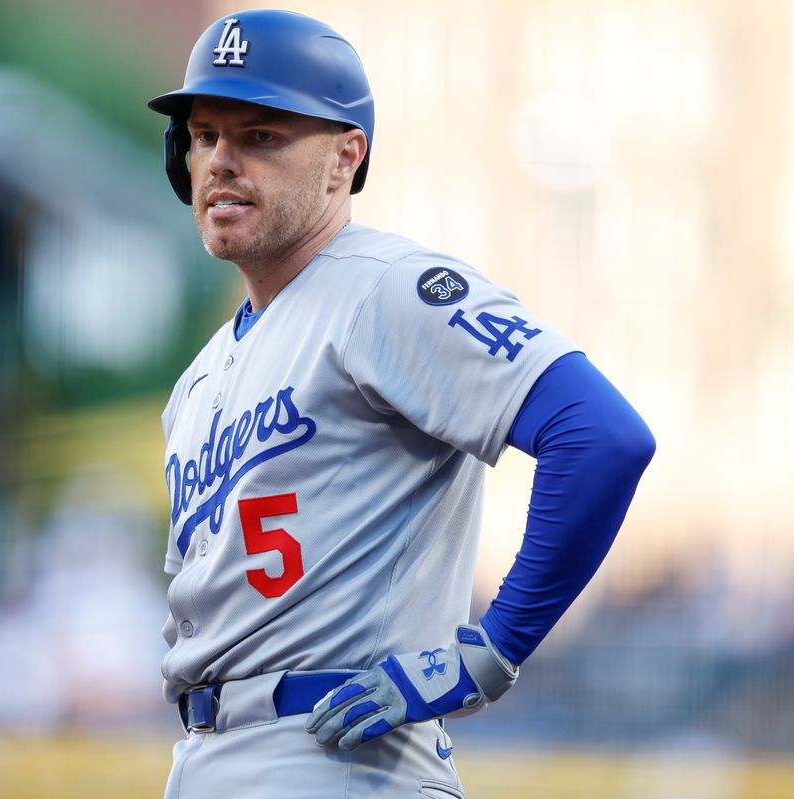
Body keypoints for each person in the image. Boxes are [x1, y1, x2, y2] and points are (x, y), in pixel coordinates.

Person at [148, 10, 655, 799]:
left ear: (345, 158)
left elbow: (599, 435)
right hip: (211, 757)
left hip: (340, 757)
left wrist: (492, 648)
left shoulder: (385, 289)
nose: (222, 160)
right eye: (206, 135)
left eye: (262, 136)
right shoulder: (197, 383)